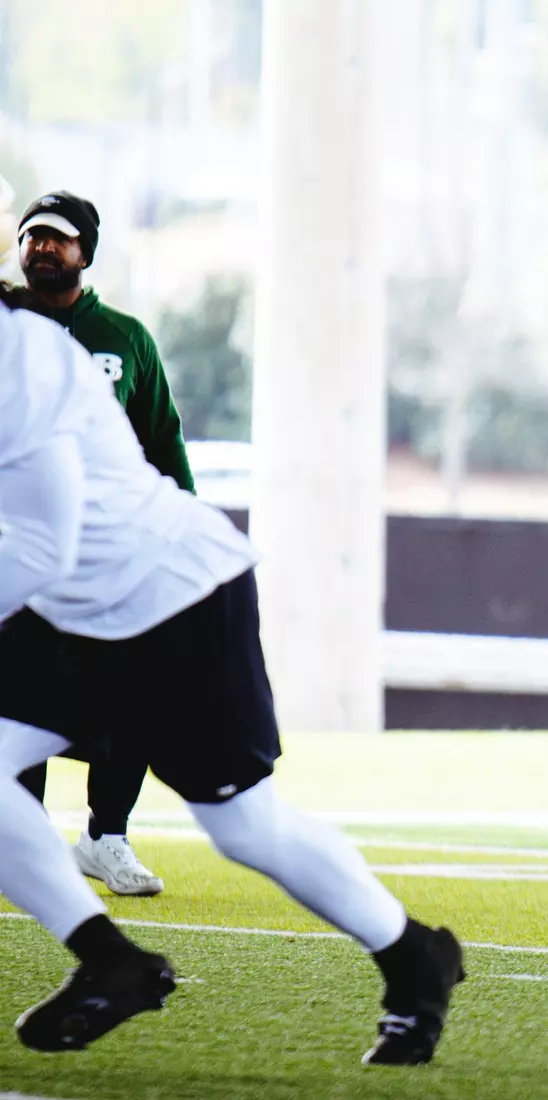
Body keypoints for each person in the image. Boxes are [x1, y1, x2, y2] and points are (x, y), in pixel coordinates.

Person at [0, 303, 463, 1064]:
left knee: (247, 828)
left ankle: (413, 957)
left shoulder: (19, 358)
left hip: (170, 596)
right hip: (71, 609)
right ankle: (109, 960)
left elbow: (48, 544)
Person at [10, 191, 193, 899]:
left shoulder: (125, 338)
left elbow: (161, 438)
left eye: (58, 239)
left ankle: (104, 837)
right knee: (17, 699)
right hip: (20, 551)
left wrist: (177, 527)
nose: (43, 249)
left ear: (86, 252)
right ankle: (20, 842)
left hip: (108, 552)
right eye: (32, 238)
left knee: (132, 697)